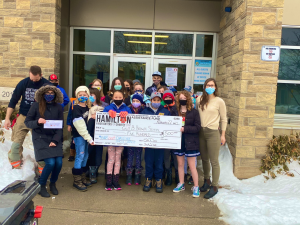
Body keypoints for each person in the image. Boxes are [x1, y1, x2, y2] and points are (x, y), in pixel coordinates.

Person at [5, 66, 51, 170]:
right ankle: (16, 168)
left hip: (39, 119)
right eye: (32, 79)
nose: (33, 81)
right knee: (16, 145)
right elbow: (13, 101)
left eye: (36, 79)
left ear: (41, 75)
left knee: (41, 146)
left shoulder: (47, 85)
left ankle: (42, 171)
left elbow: (53, 104)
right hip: (24, 117)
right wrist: (7, 118)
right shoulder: (23, 83)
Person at [24, 84, 64, 197]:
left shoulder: (59, 107)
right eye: (47, 93)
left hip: (54, 138)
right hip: (40, 139)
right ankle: (41, 185)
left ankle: (52, 183)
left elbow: (60, 127)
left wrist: (55, 141)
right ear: (43, 94)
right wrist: (38, 122)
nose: (49, 95)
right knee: (50, 163)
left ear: (55, 95)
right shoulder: (36, 106)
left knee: (59, 163)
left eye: (52, 93)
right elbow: (27, 122)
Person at [197, 78, 227, 199]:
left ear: (215, 87)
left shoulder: (219, 101)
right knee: (204, 159)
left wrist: (223, 135)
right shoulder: (199, 100)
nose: (210, 87)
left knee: (214, 160)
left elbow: (224, 119)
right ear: (204, 87)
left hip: (213, 132)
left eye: (212, 85)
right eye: (208, 85)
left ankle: (214, 186)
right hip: (201, 132)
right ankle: (206, 181)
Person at [173, 90, 201, 198]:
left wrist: (185, 129)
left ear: (188, 99)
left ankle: (196, 186)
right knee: (180, 164)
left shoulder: (194, 112)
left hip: (191, 142)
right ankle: (181, 183)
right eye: (181, 99)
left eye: (184, 99)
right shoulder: (174, 111)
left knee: (192, 166)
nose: (182, 100)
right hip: (178, 141)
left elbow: (197, 127)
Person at [141, 92, 171, 193]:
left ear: (160, 101)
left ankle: (158, 180)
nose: (156, 102)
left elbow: (169, 126)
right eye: (154, 100)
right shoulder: (145, 112)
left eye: (158, 100)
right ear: (151, 100)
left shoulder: (166, 112)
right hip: (148, 143)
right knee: (148, 162)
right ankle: (148, 179)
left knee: (159, 163)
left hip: (160, 144)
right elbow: (140, 127)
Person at [103, 90, 132, 191]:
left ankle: (116, 180)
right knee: (111, 159)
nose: (118, 99)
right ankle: (108, 181)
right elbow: (102, 121)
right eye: (116, 97)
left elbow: (132, 122)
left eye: (120, 98)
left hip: (121, 139)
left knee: (118, 158)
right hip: (110, 138)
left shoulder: (127, 108)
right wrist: (107, 114)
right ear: (112, 98)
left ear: (123, 98)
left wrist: (127, 115)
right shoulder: (107, 108)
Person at [71, 86, 94, 192]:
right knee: (80, 155)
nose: (82, 97)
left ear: (88, 96)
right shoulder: (76, 109)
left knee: (86, 155)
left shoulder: (88, 108)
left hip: (87, 136)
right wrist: (89, 138)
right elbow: (80, 126)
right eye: (80, 95)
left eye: (85, 95)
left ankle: (83, 176)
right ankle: (77, 180)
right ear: (77, 97)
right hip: (80, 136)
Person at [126, 93, 145, 186]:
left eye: (137, 101)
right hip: (130, 137)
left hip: (139, 137)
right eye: (133, 101)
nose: (135, 102)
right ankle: (129, 176)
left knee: (138, 156)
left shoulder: (143, 111)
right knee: (130, 156)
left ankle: (137, 175)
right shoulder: (128, 109)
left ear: (141, 102)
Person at [161, 90, 179, 186]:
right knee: (166, 156)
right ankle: (168, 174)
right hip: (165, 136)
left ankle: (177, 175)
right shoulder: (161, 108)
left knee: (175, 156)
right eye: (166, 97)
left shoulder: (177, 108)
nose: (168, 99)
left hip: (175, 136)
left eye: (169, 97)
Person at [87, 105, 104, 184]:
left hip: (100, 139)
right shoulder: (90, 120)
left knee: (98, 156)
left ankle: (95, 169)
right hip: (91, 140)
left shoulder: (104, 108)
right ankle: (92, 172)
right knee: (91, 155)